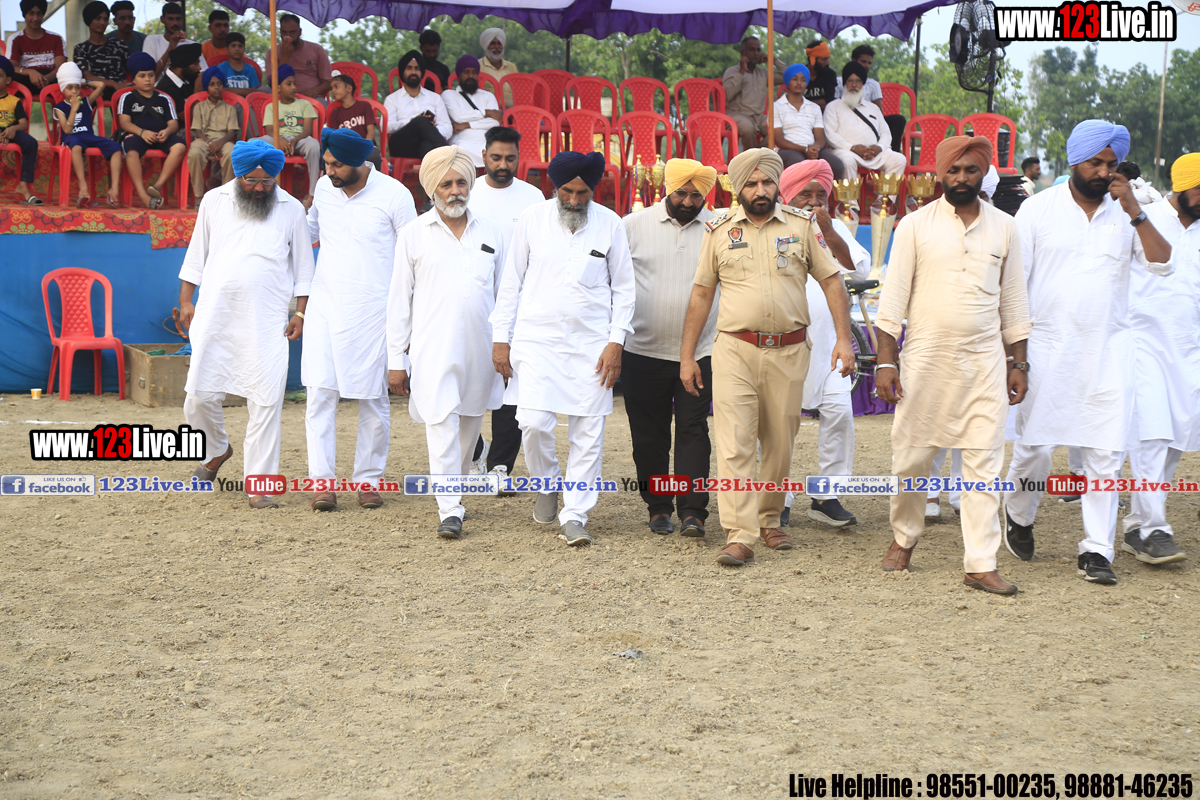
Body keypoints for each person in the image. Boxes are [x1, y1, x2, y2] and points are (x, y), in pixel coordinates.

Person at [1004, 120, 1174, 586]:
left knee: (1105, 454)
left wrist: (1135, 210)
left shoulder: (1129, 212)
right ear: (1075, 161)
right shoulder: (1037, 209)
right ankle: (1019, 514)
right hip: (1046, 350)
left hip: (1108, 353)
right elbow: (1014, 287)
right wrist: (1016, 358)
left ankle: (1096, 550)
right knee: (1035, 450)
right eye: (1095, 162)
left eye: (1111, 164)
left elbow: (1162, 262)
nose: (1103, 171)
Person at [873, 136, 1031, 594]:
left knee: (984, 462)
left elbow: (1014, 300)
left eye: (971, 170)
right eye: (954, 170)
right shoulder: (914, 225)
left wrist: (1019, 362)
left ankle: (980, 563)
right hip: (926, 360)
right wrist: (885, 363)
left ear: (984, 174)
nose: (962, 178)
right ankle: (904, 536)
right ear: (940, 174)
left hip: (984, 363)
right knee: (912, 459)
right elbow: (892, 301)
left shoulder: (1006, 228)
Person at [680, 149, 852, 567]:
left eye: (767, 182)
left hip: (790, 350)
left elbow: (832, 281)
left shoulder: (801, 225)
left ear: (777, 185)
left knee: (779, 442)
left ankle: (770, 517)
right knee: (734, 444)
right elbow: (701, 294)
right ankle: (740, 535)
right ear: (738, 189)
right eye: (752, 184)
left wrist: (844, 340)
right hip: (734, 350)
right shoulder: (719, 230)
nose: (760, 190)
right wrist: (687, 356)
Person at [490, 151, 636, 547]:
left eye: (582, 193)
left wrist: (616, 341)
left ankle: (575, 514)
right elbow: (510, 282)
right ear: (555, 188)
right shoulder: (532, 219)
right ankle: (547, 482)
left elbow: (624, 289)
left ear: (594, 190)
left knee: (588, 432)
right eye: (567, 192)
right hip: (536, 340)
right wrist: (501, 337)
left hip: (592, 344)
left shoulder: (610, 223)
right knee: (532, 422)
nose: (574, 200)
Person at [179, 139, 315, 509]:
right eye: (251, 181)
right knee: (198, 398)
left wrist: (300, 313)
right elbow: (196, 254)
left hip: (267, 320)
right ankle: (216, 449)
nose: (259, 188)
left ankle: (260, 485)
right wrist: (186, 300)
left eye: (267, 181)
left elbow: (304, 268)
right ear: (237, 175)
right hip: (215, 315)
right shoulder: (214, 200)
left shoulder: (290, 209)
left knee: (266, 401)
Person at [388, 146, 506, 538]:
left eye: (460, 183)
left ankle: (454, 494)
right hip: (432, 348)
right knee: (440, 424)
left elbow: (505, 294)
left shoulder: (491, 231)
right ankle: (449, 509)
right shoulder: (413, 234)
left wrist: (507, 344)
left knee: (469, 427)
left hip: (481, 349)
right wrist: (395, 359)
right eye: (446, 184)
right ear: (431, 189)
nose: (455, 191)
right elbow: (398, 300)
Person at [306, 129, 416, 511]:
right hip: (325, 306)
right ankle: (322, 484)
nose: (329, 171)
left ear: (358, 162)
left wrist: (409, 317)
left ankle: (368, 481)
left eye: (336, 165)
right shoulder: (324, 188)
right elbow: (309, 231)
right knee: (320, 394)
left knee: (372, 397)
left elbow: (412, 256)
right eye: (327, 163)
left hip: (374, 312)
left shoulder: (395, 195)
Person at [621, 159, 720, 537]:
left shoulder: (719, 226)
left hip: (701, 351)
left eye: (696, 195)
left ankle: (693, 512)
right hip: (642, 350)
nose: (688, 202)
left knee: (694, 429)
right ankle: (658, 507)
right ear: (666, 188)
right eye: (681, 193)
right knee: (649, 434)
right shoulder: (632, 226)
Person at [778, 159, 870, 529]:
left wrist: (830, 234)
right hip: (782, 347)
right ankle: (778, 498)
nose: (815, 202)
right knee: (779, 425)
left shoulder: (834, 228)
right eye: (806, 194)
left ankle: (826, 495)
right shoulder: (772, 226)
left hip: (831, 346)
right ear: (787, 196)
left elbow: (859, 270)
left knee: (840, 412)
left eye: (821, 194)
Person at [1119, 153, 1200, 566]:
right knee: (1151, 434)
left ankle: (1139, 523)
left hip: (1188, 349)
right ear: (1182, 186)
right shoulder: (1144, 218)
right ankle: (1154, 529)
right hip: (1143, 343)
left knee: (1174, 440)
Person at [467, 126, 546, 491]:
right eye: (496, 158)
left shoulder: (533, 198)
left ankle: (500, 465)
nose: (503, 165)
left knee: (510, 386)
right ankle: (474, 452)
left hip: (519, 308)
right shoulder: (467, 192)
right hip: (472, 305)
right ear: (483, 156)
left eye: (510, 159)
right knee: (468, 384)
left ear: (519, 158)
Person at [117, 51, 187, 210]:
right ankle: (143, 194)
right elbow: (124, 122)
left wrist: (167, 131)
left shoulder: (164, 98)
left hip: (161, 136)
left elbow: (174, 123)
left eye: (150, 75)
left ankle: (157, 186)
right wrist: (142, 132)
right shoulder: (127, 97)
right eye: (142, 76)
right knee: (131, 150)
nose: (147, 79)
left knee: (180, 146)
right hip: (137, 135)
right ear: (133, 79)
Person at [821, 60, 907, 180]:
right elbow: (830, 134)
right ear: (845, 83)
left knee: (899, 159)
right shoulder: (833, 106)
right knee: (847, 161)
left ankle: (885, 193)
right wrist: (852, 148)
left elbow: (885, 133)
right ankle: (849, 193)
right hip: (845, 152)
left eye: (858, 81)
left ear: (863, 84)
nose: (854, 85)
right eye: (850, 81)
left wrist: (879, 147)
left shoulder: (873, 108)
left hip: (874, 154)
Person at [53, 62, 122, 208]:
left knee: (116, 147)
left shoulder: (86, 101)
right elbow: (67, 130)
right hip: (71, 138)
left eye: (77, 87)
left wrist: (82, 81)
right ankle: (83, 187)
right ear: (62, 89)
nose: (74, 91)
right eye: (69, 88)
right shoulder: (59, 108)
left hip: (88, 136)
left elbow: (101, 85)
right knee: (76, 147)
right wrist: (73, 109)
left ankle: (114, 189)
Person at [256, 65, 319, 208]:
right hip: (277, 141)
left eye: (295, 84)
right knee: (253, 143)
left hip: (299, 141)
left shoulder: (304, 104)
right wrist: (280, 139)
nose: (293, 87)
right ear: (278, 88)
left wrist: (295, 139)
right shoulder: (271, 106)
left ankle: (312, 195)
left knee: (314, 145)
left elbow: (307, 129)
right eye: (288, 84)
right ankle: (261, 190)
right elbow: (269, 130)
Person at [772, 63, 841, 177]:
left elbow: (820, 138)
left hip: (812, 149)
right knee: (802, 166)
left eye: (803, 80)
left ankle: (828, 189)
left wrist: (815, 148)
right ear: (788, 82)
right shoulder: (776, 107)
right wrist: (804, 149)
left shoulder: (814, 107)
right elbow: (779, 140)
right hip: (788, 149)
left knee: (837, 165)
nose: (799, 83)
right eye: (795, 79)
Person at [834, 45, 906, 153]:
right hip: (846, 121)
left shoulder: (873, 84)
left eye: (869, 63)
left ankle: (889, 152)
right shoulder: (839, 82)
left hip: (869, 120)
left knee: (898, 120)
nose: (866, 66)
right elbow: (834, 105)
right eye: (863, 61)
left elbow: (879, 113)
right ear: (853, 60)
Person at [721, 36, 784, 153]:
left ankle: (755, 154)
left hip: (759, 117)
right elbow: (727, 95)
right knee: (748, 129)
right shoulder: (732, 71)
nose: (756, 53)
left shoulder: (763, 73)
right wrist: (742, 71)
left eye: (758, 50)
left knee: (780, 129)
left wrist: (774, 60)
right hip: (737, 114)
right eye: (752, 50)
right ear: (742, 53)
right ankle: (753, 158)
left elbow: (787, 77)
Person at [384, 50, 450, 160]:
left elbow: (447, 128)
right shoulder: (392, 99)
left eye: (417, 68)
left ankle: (426, 172)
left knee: (427, 145)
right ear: (402, 71)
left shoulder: (435, 98)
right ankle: (452, 157)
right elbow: (386, 127)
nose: (413, 72)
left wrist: (429, 130)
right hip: (402, 145)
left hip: (425, 144)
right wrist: (411, 122)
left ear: (422, 72)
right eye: (409, 68)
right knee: (421, 121)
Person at [187, 66, 239, 205]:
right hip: (203, 140)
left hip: (223, 140)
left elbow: (231, 133)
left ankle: (227, 195)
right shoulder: (199, 107)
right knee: (194, 152)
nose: (216, 87)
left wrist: (220, 142)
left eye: (219, 84)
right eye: (212, 84)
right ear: (207, 87)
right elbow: (197, 131)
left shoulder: (230, 109)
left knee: (231, 151)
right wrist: (209, 142)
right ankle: (198, 196)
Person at [442, 55, 501, 169]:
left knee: (496, 151)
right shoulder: (449, 95)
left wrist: (467, 125)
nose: (470, 76)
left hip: (486, 140)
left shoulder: (488, 96)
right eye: (466, 72)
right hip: (461, 141)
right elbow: (458, 117)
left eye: (474, 72)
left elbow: (495, 122)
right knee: (460, 152)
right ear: (459, 75)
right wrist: (485, 113)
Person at [0, 56, 43, 205]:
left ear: (8, 80)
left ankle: (23, 186)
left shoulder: (14, 101)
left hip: (11, 130)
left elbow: (23, 124)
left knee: (31, 143)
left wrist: (13, 128)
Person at [264, 14, 332, 99]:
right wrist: (285, 57)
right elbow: (272, 84)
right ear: (280, 32)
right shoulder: (273, 52)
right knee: (262, 90)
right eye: (284, 32)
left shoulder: (317, 49)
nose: (288, 36)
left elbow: (328, 82)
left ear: (300, 32)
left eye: (292, 32)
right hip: (283, 99)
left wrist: (315, 91)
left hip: (312, 98)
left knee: (323, 104)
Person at [73, 1, 130, 100]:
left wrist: (130, 82)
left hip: (122, 89)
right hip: (97, 91)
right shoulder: (81, 48)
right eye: (98, 18)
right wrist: (114, 84)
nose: (102, 22)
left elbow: (131, 68)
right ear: (89, 20)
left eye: (105, 19)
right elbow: (88, 76)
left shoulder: (119, 44)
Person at [327, 73, 381, 170]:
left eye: (337, 86)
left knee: (373, 155)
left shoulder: (364, 106)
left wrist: (364, 146)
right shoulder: (335, 114)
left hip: (366, 146)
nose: (333, 90)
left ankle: (375, 180)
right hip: (346, 149)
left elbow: (371, 130)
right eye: (332, 88)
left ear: (349, 88)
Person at [9, 0, 65, 93]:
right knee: (7, 76)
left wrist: (47, 78)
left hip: (52, 80)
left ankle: (72, 102)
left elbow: (61, 66)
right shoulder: (15, 39)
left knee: (69, 73)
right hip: (25, 80)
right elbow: (11, 66)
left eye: (39, 14)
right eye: (31, 14)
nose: (35, 18)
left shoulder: (56, 38)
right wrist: (30, 72)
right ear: (24, 15)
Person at [144, 2, 207, 80]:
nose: (175, 23)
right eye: (170, 19)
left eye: (178, 19)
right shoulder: (152, 41)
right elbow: (149, 77)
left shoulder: (192, 46)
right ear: (162, 19)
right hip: (157, 87)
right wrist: (170, 48)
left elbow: (203, 75)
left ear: (182, 20)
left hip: (187, 87)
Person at [155, 42, 202, 117]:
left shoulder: (188, 78)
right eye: (196, 64)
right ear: (183, 66)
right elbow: (188, 118)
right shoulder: (167, 88)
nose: (199, 68)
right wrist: (198, 90)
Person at [479, 28, 518, 106]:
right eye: (492, 43)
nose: (497, 47)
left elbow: (519, 90)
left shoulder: (511, 67)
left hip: (513, 109)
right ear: (486, 46)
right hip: (489, 109)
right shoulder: (478, 65)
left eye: (499, 43)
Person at [802, 40, 837, 110]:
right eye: (824, 59)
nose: (828, 62)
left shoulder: (830, 74)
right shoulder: (799, 74)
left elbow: (829, 101)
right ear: (813, 60)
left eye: (828, 58)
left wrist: (803, 105)